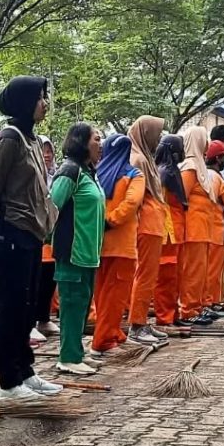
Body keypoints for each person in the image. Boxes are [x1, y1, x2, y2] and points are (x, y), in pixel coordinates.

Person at [0, 76, 61, 400]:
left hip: (31, 233)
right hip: (12, 232)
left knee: (26, 307)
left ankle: (25, 371)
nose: (45, 103)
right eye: (40, 97)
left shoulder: (32, 139)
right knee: (10, 307)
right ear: (25, 102)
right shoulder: (10, 138)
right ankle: (7, 382)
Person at [50, 123, 104, 375]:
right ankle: (68, 357)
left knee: (82, 304)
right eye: (96, 139)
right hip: (72, 251)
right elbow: (53, 206)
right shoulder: (70, 171)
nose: (100, 144)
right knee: (71, 304)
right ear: (81, 142)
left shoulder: (88, 172)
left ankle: (77, 352)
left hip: (88, 252)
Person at [91, 133, 146, 354]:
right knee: (115, 296)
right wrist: (112, 220)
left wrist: (100, 223)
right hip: (122, 245)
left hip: (98, 244)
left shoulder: (97, 174)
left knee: (102, 294)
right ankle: (103, 342)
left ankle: (113, 333)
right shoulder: (134, 175)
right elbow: (132, 202)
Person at [126, 116, 169, 348]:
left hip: (153, 224)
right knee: (144, 275)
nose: (159, 138)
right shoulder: (138, 159)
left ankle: (141, 320)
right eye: (157, 133)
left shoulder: (145, 157)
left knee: (148, 276)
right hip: (146, 225)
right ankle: (137, 325)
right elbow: (137, 197)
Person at [177, 126, 216, 326]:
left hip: (202, 228)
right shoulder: (190, 166)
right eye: (205, 138)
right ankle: (188, 310)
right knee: (192, 272)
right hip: (193, 229)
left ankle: (197, 306)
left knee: (200, 271)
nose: (208, 143)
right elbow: (181, 197)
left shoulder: (198, 165)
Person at [153, 134, 186, 333]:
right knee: (166, 278)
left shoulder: (172, 171)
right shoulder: (165, 173)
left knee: (175, 277)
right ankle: (165, 318)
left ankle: (173, 314)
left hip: (177, 230)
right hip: (168, 231)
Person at [204, 140, 224, 312]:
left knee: (215, 270)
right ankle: (207, 301)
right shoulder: (212, 176)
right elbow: (210, 201)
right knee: (211, 270)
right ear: (218, 158)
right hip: (216, 231)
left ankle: (213, 300)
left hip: (221, 231)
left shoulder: (216, 176)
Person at [33, 135, 59, 338]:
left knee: (49, 279)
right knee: (35, 280)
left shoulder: (55, 176)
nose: (47, 155)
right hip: (35, 233)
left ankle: (44, 319)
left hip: (51, 237)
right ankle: (30, 322)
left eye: (50, 151)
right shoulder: (32, 174)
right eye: (43, 151)